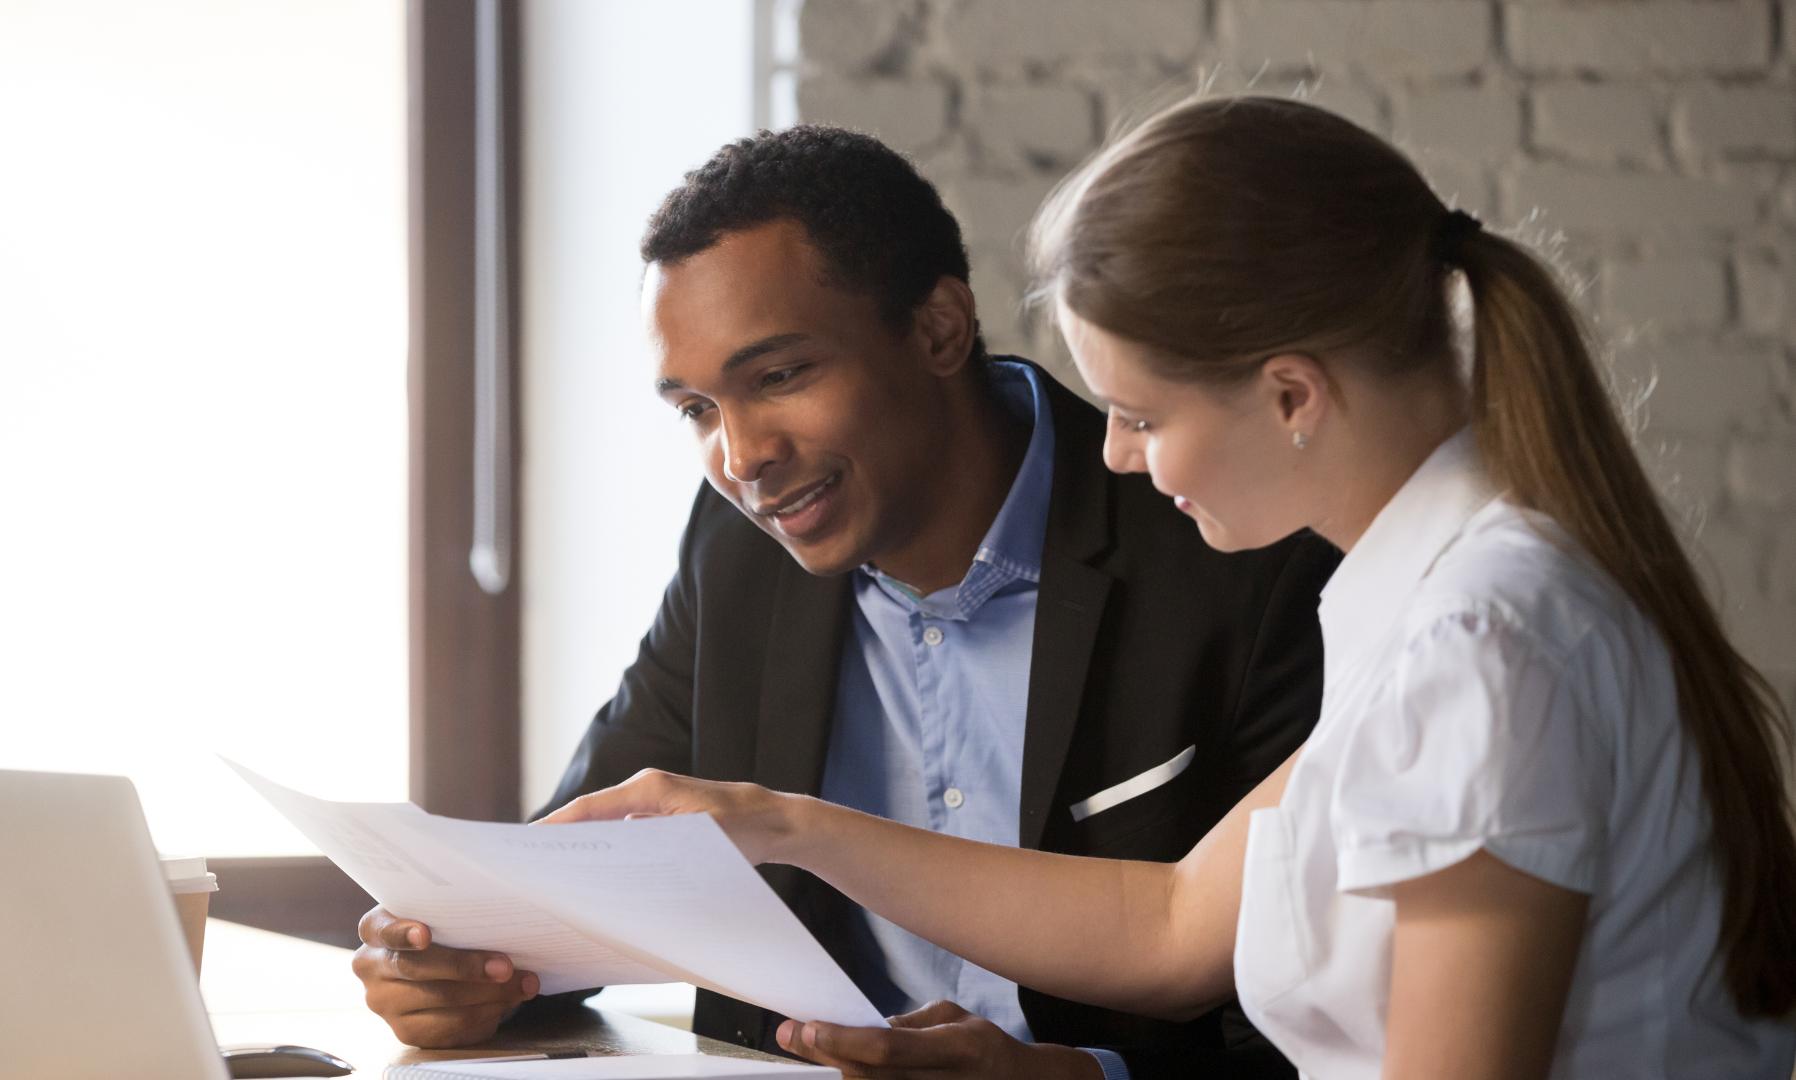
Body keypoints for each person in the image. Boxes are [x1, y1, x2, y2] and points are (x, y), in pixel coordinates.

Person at [544, 97, 1796, 1080]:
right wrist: (781, 824)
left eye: (1141, 413)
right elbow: (1171, 923)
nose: (1115, 455)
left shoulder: (1482, 640)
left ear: (1292, 395)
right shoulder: (1434, 597)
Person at [351, 127, 1340, 1077]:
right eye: (696, 409)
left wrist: (1083, 1078)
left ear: (940, 329)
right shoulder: (737, 548)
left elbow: (1329, 1024)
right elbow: (578, 875)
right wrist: (466, 969)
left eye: (780, 375)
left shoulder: (1237, 552)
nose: (739, 459)